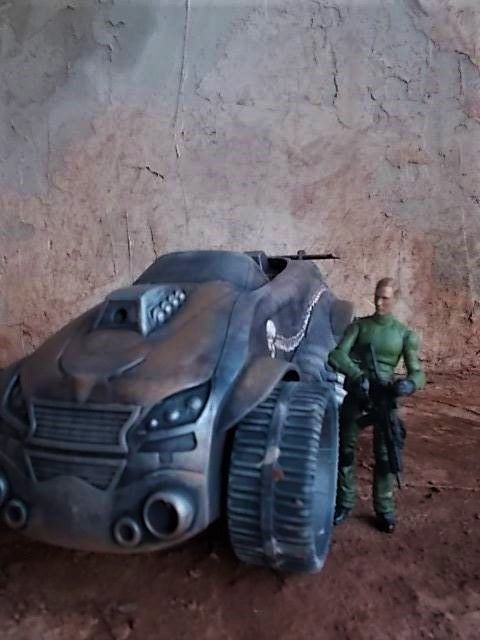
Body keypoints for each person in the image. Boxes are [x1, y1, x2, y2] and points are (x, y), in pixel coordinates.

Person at [328, 277, 425, 533]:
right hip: (359, 393)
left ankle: (384, 507)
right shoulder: (359, 326)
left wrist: (408, 385)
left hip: (384, 397)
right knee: (345, 450)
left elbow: (418, 373)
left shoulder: (404, 334)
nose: (379, 302)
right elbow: (336, 355)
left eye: (385, 298)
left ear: (395, 299)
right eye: (377, 296)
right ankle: (344, 501)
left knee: (385, 454)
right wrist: (356, 375)